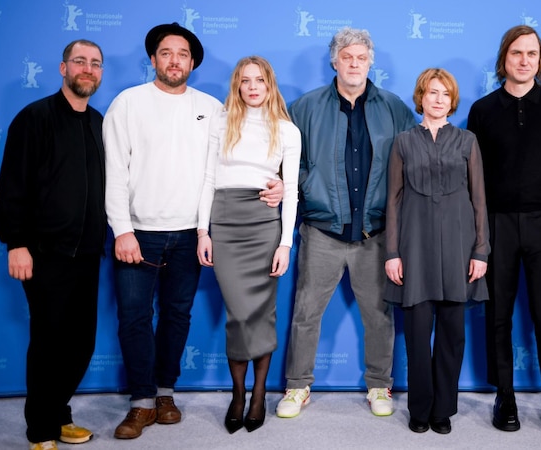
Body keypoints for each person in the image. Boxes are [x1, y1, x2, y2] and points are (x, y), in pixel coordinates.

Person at [103, 23, 284, 440]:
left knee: (176, 316)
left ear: (193, 62)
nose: (173, 60)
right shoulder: (127, 103)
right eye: (165, 53)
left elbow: (240, 157)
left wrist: (278, 182)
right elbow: (114, 173)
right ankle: (141, 402)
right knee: (133, 319)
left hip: (191, 234)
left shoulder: (214, 109)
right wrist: (122, 230)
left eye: (182, 54)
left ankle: (165, 393)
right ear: (153, 60)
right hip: (140, 233)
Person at [276, 26, 416, 419]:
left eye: (361, 58)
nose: (354, 64)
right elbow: (289, 163)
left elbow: (410, 163)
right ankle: (297, 386)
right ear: (334, 61)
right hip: (323, 231)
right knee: (306, 311)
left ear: (371, 62)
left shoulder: (394, 108)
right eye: (347, 57)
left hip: (375, 232)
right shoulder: (305, 107)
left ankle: (379, 386)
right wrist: (307, 188)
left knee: (378, 314)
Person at [467, 24, 541, 432]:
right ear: (504, 59)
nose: (524, 60)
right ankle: (505, 399)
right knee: (497, 314)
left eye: (532, 54)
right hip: (497, 224)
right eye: (517, 53)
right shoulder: (482, 109)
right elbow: (473, 175)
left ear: (540, 60)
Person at [0, 39, 106, 450]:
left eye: (95, 64)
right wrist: (16, 242)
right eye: (79, 62)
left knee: (81, 343)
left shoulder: (98, 122)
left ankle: (59, 416)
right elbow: (13, 184)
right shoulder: (34, 118)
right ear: (63, 68)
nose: (87, 69)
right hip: (43, 254)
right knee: (49, 343)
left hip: (88, 254)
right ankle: (41, 430)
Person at [196, 56, 301, 434]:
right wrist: (202, 232)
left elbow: (289, 192)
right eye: (245, 81)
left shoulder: (287, 130)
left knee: (262, 312)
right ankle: (237, 393)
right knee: (238, 315)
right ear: (237, 86)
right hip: (224, 221)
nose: (253, 87)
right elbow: (208, 179)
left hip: (263, 224)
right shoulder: (220, 121)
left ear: (270, 84)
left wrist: (286, 244)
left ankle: (258, 394)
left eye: (259, 80)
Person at [384, 68, 489, 434]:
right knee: (416, 334)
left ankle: (443, 409)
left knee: (452, 334)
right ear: (421, 97)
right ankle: (420, 407)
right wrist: (392, 252)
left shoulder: (467, 141)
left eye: (445, 93)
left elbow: (479, 200)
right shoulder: (403, 142)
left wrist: (481, 251)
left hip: (460, 249)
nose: (439, 99)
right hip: (414, 248)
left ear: (452, 100)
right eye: (432, 92)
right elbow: (393, 201)